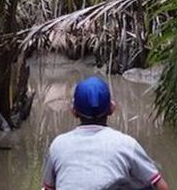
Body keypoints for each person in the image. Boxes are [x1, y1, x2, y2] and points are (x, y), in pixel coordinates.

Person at [42, 76, 170, 190]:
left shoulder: (58, 145)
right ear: (112, 108)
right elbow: (161, 187)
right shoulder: (126, 144)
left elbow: (49, 187)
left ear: (74, 111)